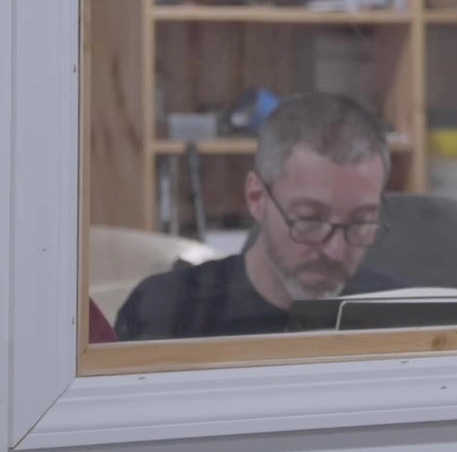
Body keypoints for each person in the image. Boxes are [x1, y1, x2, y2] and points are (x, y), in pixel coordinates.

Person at [115, 93, 405, 340]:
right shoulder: (167, 314)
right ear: (257, 197)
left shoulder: (403, 315)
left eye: (361, 222)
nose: (335, 250)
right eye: (310, 219)